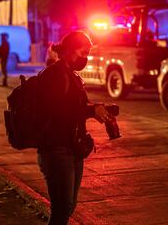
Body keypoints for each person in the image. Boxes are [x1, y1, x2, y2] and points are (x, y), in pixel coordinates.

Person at [37, 31, 115, 225]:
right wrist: (90, 111)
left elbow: (74, 106)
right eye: (83, 52)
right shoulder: (55, 74)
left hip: (72, 148)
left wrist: (96, 109)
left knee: (68, 207)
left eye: (88, 52)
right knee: (62, 209)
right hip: (56, 150)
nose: (86, 57)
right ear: (70, 50)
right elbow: (57, 110)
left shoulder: (71, 75)